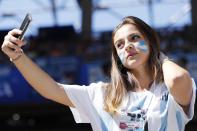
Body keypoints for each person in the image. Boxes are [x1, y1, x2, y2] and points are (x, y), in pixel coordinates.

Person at [1, 16, 196, 131]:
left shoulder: (169, 90)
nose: (127, 46)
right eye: (119, 44)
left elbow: (178, 79)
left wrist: (159, 56)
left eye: (135, 38)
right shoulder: (103, 94)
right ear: (117, 56)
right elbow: (51, 89)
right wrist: (17, 57)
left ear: (151, 43)